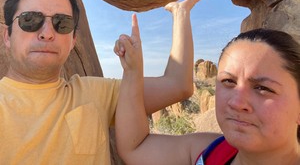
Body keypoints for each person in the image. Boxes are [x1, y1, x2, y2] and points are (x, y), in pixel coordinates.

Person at [0, 0, 207, 164]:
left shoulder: (97, 93)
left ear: (73, 41)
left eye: (61, 23)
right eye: (30, 20)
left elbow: (178, 85)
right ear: (7, 35)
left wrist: (181, 14)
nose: (47, 33)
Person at [115, 27, 300, 165]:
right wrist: (132, 71)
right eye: (228, 81)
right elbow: (135, 148)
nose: (236, 102)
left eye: (262, 88)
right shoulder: (211, 152)